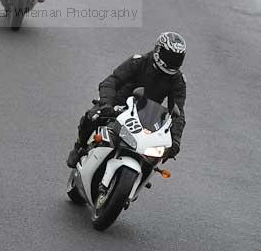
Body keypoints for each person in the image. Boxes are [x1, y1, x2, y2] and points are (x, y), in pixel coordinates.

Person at [66, 32, 187, 167]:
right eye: (170, 56)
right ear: (158, 50)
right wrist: (107, 104)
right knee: (91, 117)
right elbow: (111, 81)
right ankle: (79, 148)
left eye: (177, 59)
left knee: (154, 156)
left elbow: (178, 113)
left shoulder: (178, 80)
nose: (172, 62)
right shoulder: (139, 61)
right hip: (118, 106)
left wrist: (175, 141)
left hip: (146, 117)